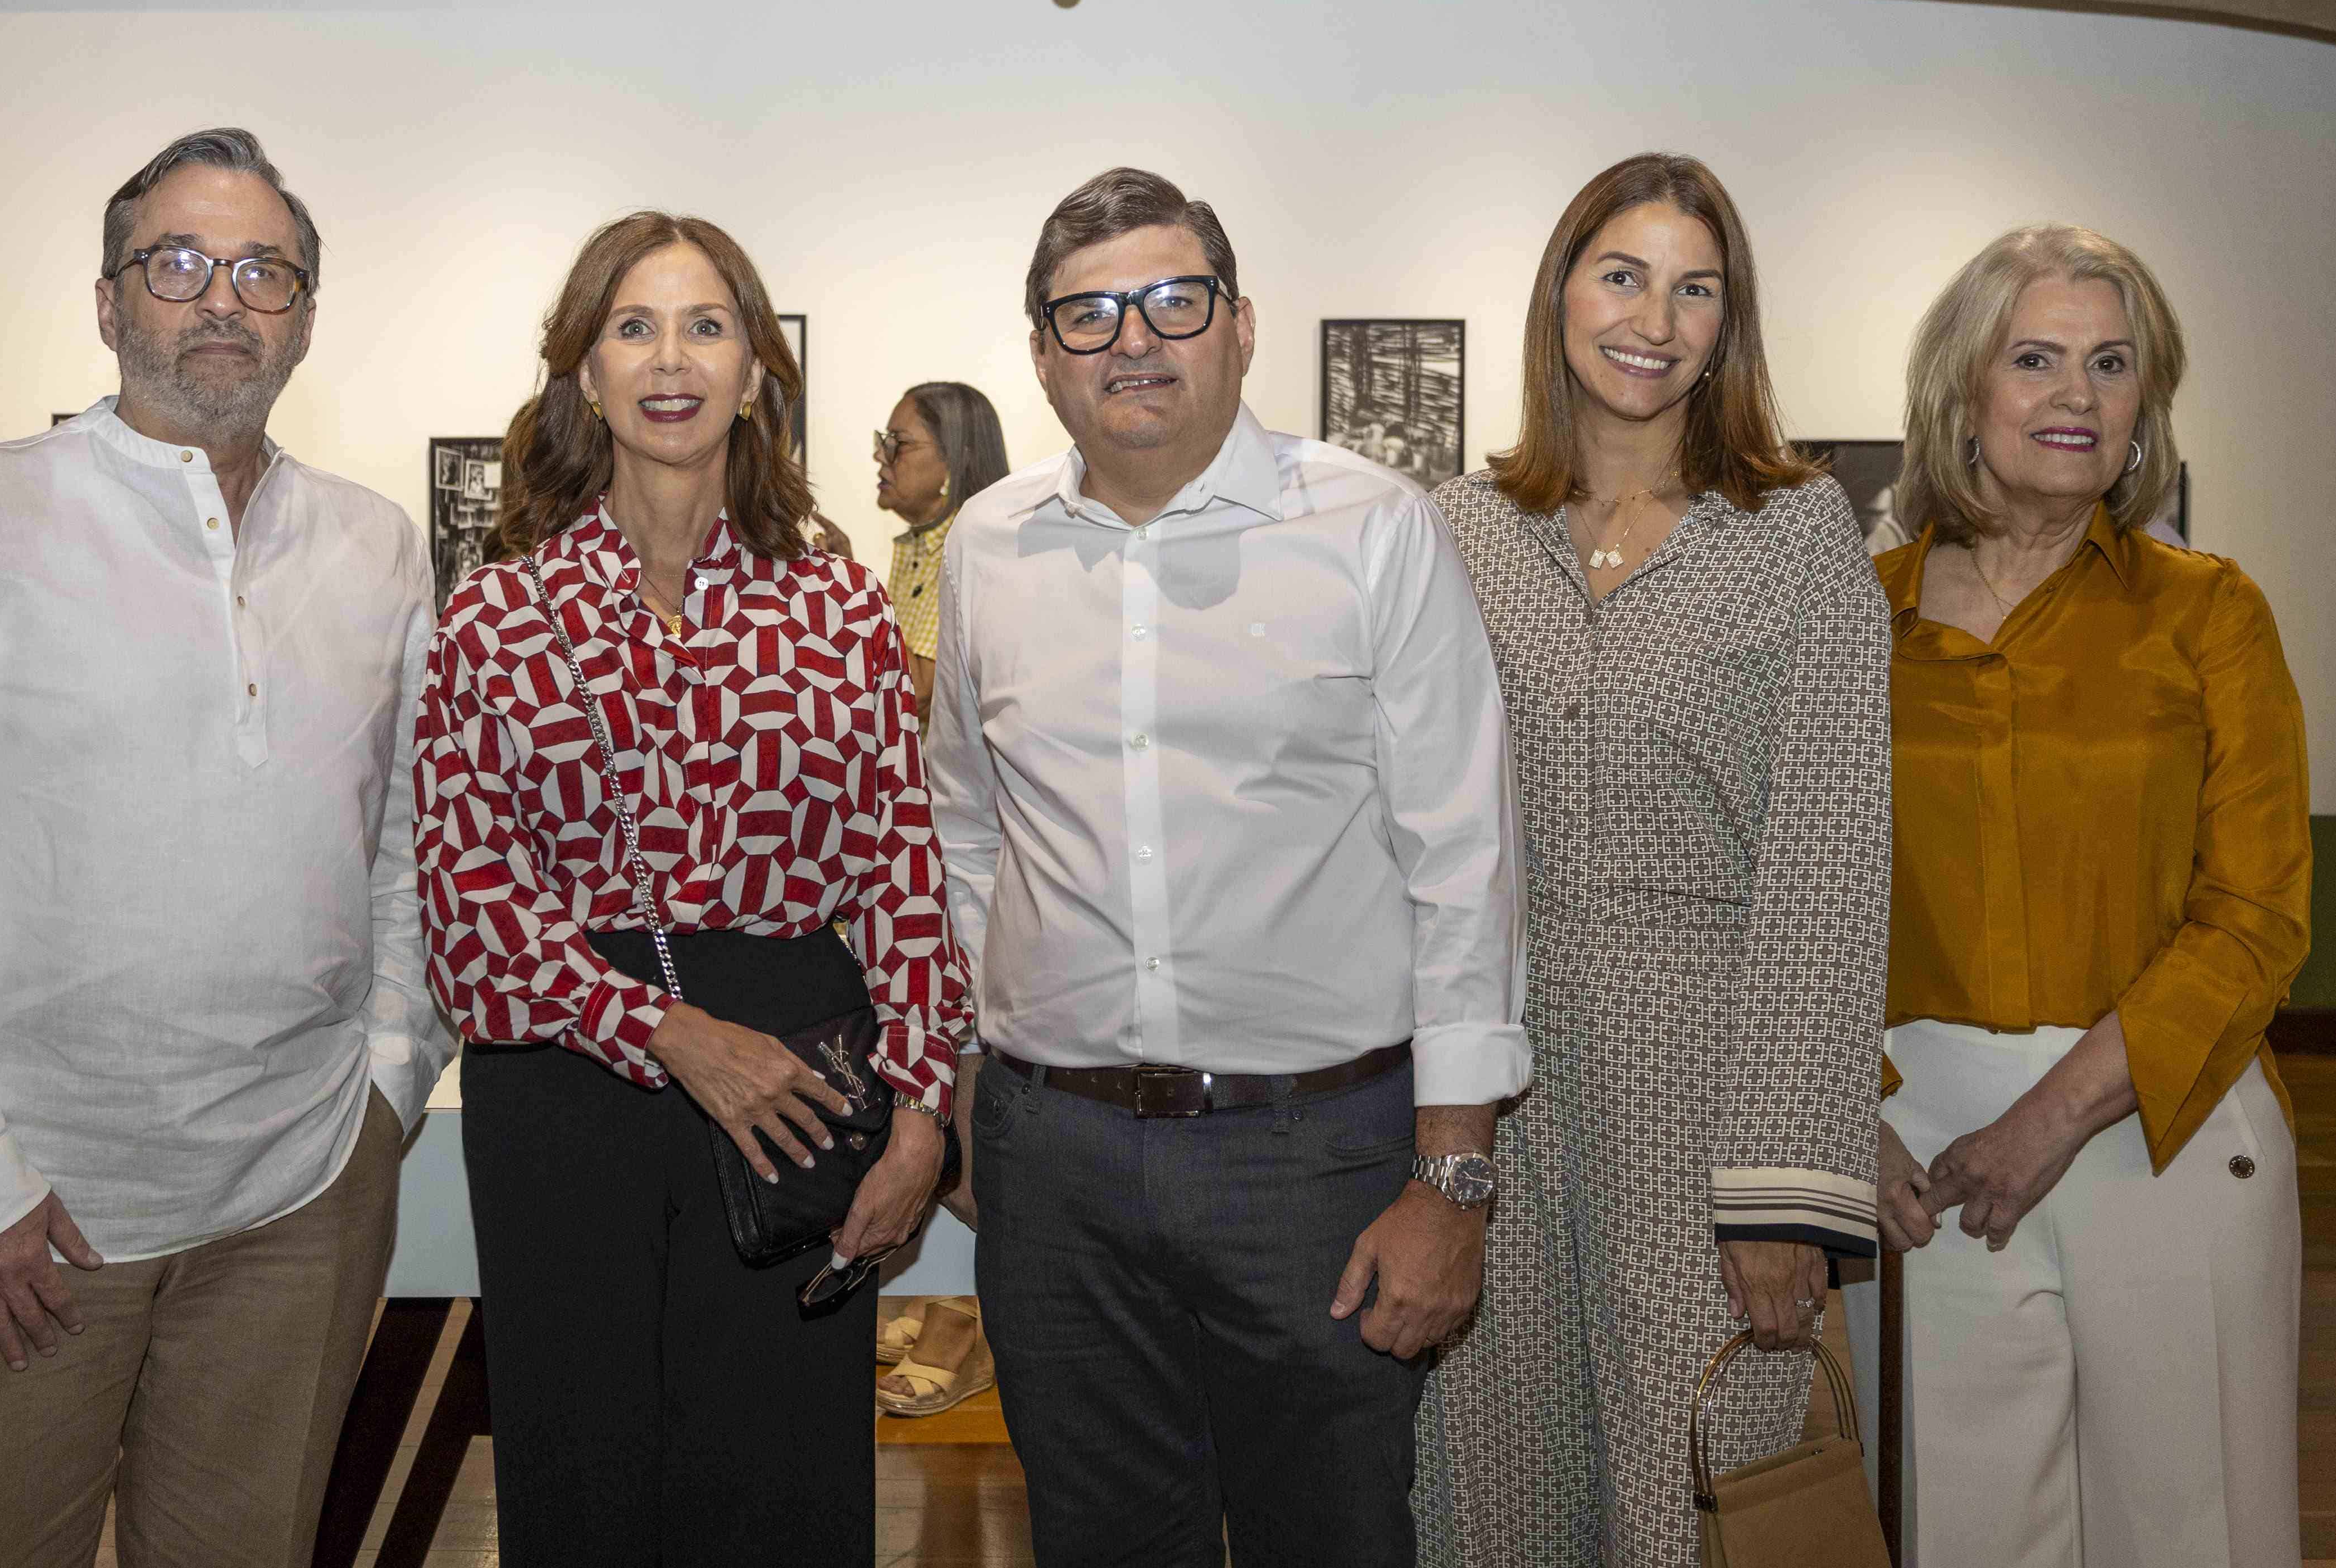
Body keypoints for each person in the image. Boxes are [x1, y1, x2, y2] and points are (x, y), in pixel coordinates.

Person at [0, 128, 455, 1568]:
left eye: (264, 270)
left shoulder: (377, 544)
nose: (223, 297)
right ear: (109, 301)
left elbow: (410, 842)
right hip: (22, 1217)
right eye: (179, 263)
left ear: (306, 318)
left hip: (296, 1201)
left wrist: (388, 1082)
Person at [923, 166, 1531, 1568]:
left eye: (1170, 300)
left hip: (1314, 1161)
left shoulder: (1373, 527)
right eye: (1087, 313)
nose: (1131, 338)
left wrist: (1452, 1177)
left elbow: (1461, 856)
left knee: (1331, 1537)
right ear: (1041, 356)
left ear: (1240, 325)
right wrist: (966, 1063)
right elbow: (963, 824)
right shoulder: (991, 547)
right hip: (1055, 1168)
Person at [414, 211, 970, 1565]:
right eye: (635, 325)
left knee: (782, 1483)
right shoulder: (498, 612)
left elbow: (906, 870)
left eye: (707, 324)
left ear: (757, 370)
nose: (672, 357)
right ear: (584, 373)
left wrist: (922, 1111)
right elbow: (466, 909)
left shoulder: (834, 604)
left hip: (798, 1071)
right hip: (566, 1077)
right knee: (583, 1474)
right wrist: (667, 1029)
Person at [1416, 152, 1892, 1567]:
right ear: (1561, 292)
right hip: (1488, 1090)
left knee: (1703, 1484)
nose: (1654, 317)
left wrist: (1785, 1191)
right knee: (1493, 1483)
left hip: (1707, 1094)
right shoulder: (1457, 531)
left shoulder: (1800, 536)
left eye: (1697, 289)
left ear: (1726, 326)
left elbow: (1825, 874)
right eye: (1622, 274)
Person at [1867, 224, 2307, 1565]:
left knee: (2189, 1528)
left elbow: (2253, 916)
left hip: (2160, 1118)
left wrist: (2047, 1118)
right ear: (1961, 390)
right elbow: (1783, 902)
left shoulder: (2209, 613)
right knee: (1955, 1529)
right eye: (2037, 357)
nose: (2076, 393)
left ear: (2141, 405)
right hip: (1913, 1155)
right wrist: (1829, 1111)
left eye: (2110, 363)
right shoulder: (1849, 614)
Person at [871, 380, 1010, 723]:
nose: (879, 455)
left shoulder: (969, 548)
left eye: (898, 443)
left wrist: (849, 590)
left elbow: (914, 693)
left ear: (955, 460)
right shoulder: (923, 543)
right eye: (883, 440)